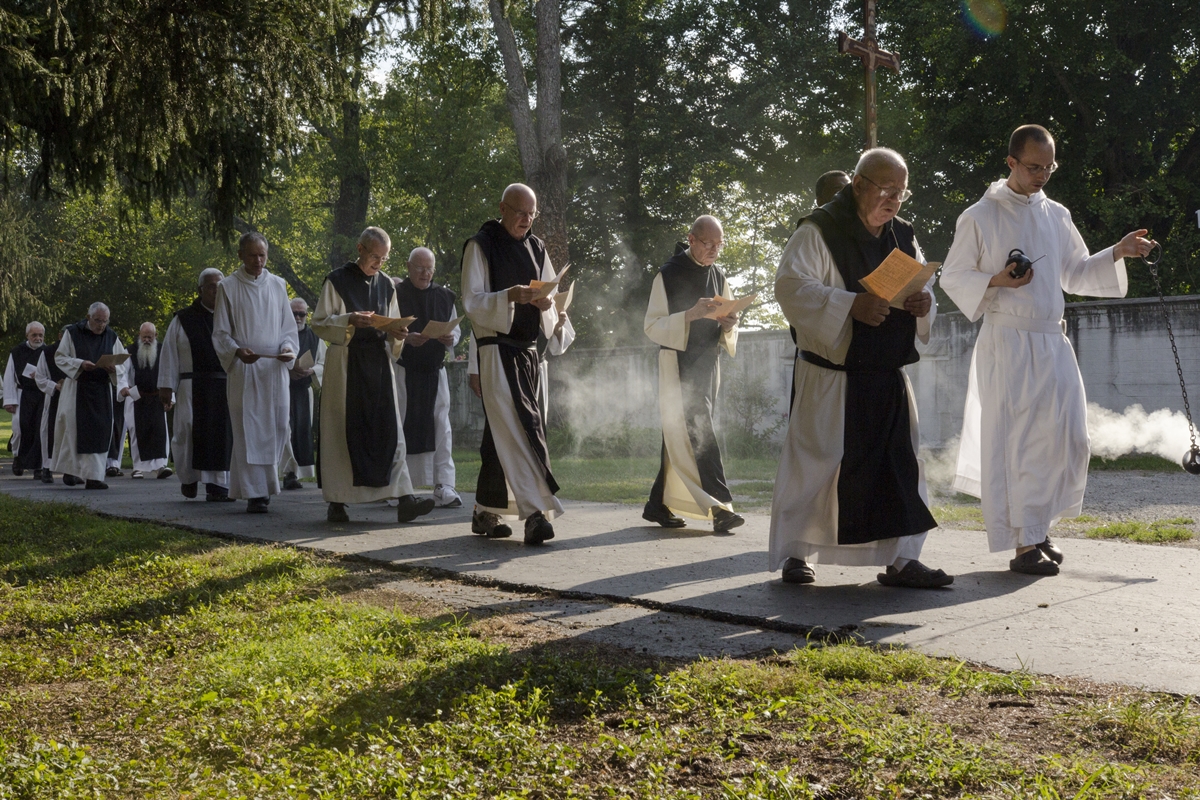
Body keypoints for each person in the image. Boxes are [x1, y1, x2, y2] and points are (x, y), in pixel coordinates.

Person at [940, 124, 1156, 576]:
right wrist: (997, 279)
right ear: (1011, 162)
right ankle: (1023, 547)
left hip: (1051, 341)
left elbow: (1074, 273)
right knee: (1019, 445)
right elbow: (953, 276)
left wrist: (1117, 252)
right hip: (1008, 341)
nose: (1042, 175)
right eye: (1034, 166)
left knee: (1068, 439)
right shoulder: (979, 215)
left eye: (1049, 167)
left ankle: (1038, 528)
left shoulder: (1056, 214)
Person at [770, 147, 951, 588]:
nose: (893, 200)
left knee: (900, 466)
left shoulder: (902, 235)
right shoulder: (818, 232)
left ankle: (903, 560)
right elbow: (790, 288)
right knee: (821, 465)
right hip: (832, 376)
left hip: (885, 374)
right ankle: (798, 552)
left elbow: (922, 287)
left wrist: (924, 303)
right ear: (859, 184)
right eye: (886, 190)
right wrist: (851, 306)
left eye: (901, 193)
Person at [462, 183, 563, 544]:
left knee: (500, 433)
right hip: (496, 351)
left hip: (528, 353)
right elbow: (472, 302)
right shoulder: (481, 245)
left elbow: (551, 292)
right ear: (502, 208)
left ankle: (485, 511)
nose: (526, 220)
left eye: (532, 214)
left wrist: (547, 306)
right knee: (521, 429)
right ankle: (535, 514)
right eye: (520, 212)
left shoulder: (536, 247)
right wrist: (509, 297)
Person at [312, 227, 434, 523]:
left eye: (383, 258)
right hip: (347, 363)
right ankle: (338, 502)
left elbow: (392, 324)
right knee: (343, 431)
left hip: (378, 364)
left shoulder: (386, 286)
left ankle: (405, 498)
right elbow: (319, 323)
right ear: (360, 248)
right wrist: (349, 319)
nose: (378, 263)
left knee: (390, 431)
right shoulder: (337, 281)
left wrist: (398, 332)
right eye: (374, 256)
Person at [642, 215, 743, 533]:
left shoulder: (719, 274)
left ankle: (657, 505)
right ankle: (720, 508)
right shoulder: (667, 274)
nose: (714, 250)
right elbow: (652, 327)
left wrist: (730, 324)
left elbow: (729, 322)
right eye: (708, 243)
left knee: (679, 433)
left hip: (707, 364)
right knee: (699, 429)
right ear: (691, 239)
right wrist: (690, 314)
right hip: (678, 364)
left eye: (719, 244)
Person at [212, 233, 299, 512]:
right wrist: (237, 350)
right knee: (248, 430)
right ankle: (255, 493)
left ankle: (267, 485)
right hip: (244, 370)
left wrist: (287, 348)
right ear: (240, 255)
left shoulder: (277, 285)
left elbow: (288, 328)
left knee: (277, 426)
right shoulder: (228, 287)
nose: (258, 261)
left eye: (262, 255)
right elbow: (221, 332)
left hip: (274, 369)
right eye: (252, 255)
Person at [394, 247, 463, 508]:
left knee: (441, 427)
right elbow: (388, 331)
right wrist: (406, 338)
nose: (425, 273)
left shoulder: (445, 296)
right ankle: (400, 487)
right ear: (409, 267)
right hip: (405, 371)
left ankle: (444, 484)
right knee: (401, 424)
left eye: (429, 268)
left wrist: (450, 338)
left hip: (435, 371)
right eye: (419, 267)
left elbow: (456, 330)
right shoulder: (396, 294)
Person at [158, 268, 234, 501]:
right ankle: (189, 478)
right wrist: (166, 386)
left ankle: (217, 485)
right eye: (211, 286)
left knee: (221, 435)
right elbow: (170, 353)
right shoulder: (183, 319)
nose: (216, 290)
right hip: (192, 386)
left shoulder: (232, 317)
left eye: (220, 286)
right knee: (186, 432)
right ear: (200, 290)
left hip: (224, 386)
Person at [50, 302, 128, 489]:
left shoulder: (111, 336)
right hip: (77, 388)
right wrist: (79, 364)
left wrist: (113, 369)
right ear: (88, 317)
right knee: (74, 430)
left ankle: (94, 477)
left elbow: (122, 363)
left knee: (100, 431)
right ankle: (71, 472)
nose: (101, 325)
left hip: (101, 389)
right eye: (97, 320)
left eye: (105, 321)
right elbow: (60, 357)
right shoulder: (72, 333)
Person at [280, 298, 325, 490]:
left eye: (301, 314)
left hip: (303, 390)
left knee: (302, 430)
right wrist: (287, 370)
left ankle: (297, 472)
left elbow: (324, 361)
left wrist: (312, 370)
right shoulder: (279, 333)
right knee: (285, 428)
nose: (298, 317)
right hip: (283, 388)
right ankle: (288, 472)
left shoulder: (315, 336)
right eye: (294, 313)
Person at [121, 322, 172, 479]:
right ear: (139, 336)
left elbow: (169, 373)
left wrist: (170, 397)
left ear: (155, 336)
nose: (147, 340)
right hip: (136, 397)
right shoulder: (129, 351)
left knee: (159, 432)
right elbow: (121, 372)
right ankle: (138, 468)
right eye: (144, 337)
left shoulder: (163, 351)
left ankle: (160, 466)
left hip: (157, 397)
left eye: (150, 337)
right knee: (136, 431)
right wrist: (124, 388)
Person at [3, 322, 47, 478]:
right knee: (20, 429)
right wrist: (9, 400)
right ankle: (18, 458)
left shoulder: (47, 352)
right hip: (23, 394)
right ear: (27, 335)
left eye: (40, 335)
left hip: (42, 395)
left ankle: (38, 467)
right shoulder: (17, 351)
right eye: (34, 335)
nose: (38, 338)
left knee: (40, 430)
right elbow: (9, 376)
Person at [33, 337, 68, 484]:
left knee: (71, 432)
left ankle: (70, 470)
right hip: (54, 396)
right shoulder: (48, 352)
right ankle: (47, 468)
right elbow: (40, 376)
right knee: (49, 431)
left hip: (74, 397)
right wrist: (54, 386)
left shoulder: (78, 351)